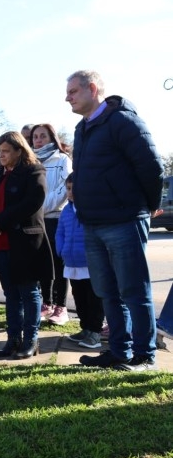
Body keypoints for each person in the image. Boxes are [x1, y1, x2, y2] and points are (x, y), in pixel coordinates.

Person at [67, 70, 164, 371]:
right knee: (107, 292)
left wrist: (147, 208)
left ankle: (145, 355)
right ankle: (119, 351)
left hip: (124, 220)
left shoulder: (122, 120)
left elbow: (152, 167)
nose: (67, 97)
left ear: (92, 88)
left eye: (72, 91)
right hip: (93, 224)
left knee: (134, 291)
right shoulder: (82, 128)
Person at [0, 131, 53, 360]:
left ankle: (31, 340)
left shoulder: (33, 171)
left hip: (24, 242)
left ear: (19, 150)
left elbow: (32, 201)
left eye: (6, 151)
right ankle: (13, 339)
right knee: (10, 294)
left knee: (29, 293)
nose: (1, 155)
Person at [31, 123, 72, 325]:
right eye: (35, 137)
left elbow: (64, 188)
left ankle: (61, 307)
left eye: (43, 136)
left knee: (58, 264)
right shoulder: (30, 161)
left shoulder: (62, 159)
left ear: (52, 138)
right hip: (37, 221)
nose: (39, 140)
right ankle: (46, 303)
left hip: (56, 218)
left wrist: (42, 207)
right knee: (42, 265)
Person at [57, 173, 105, 349]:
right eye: (68, 188)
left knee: (94, 299)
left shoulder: (92, 210)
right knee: (79, 297)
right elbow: (60, 232)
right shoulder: (66, 211)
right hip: (72, 263)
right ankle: (85, 328)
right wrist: (61, 249)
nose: (70, 193)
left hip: (89, 263)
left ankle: (95, 332)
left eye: (74, 188)